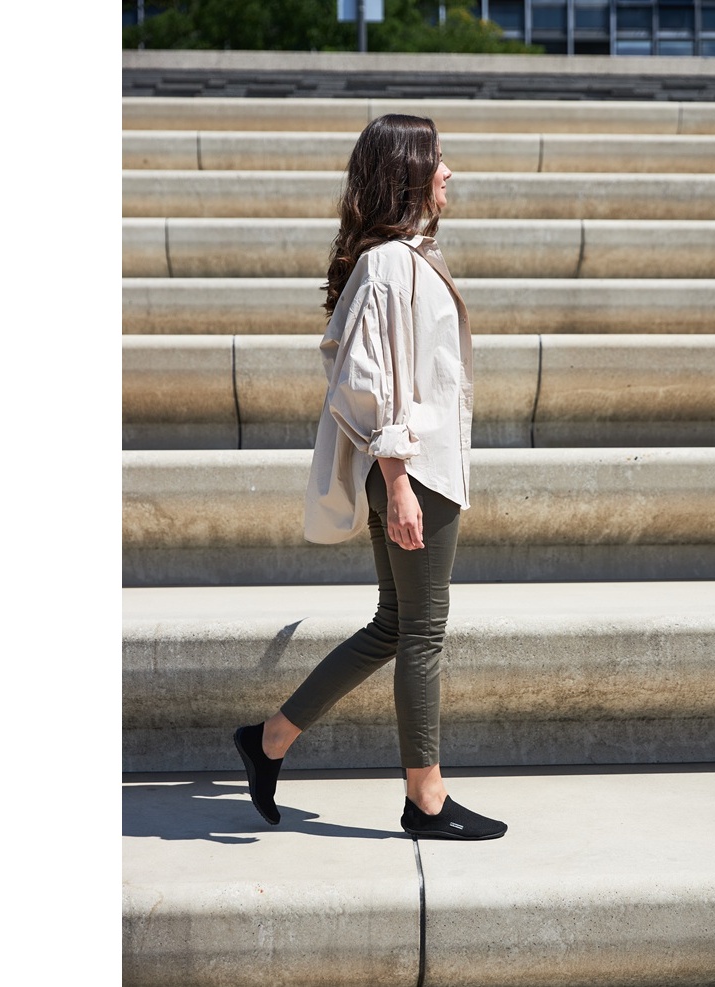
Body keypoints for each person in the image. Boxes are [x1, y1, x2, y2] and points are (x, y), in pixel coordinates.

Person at [234, 114, 507, 842]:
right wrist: (400, 484)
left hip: (415, 466)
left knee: (395, 624)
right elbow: (371, 384)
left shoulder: (403, 259)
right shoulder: (389, 266)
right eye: (437, 159)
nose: (449, 172)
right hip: (413, 470)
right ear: (408, 172)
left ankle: (269, 740)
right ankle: (426, 799)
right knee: (423, 633)